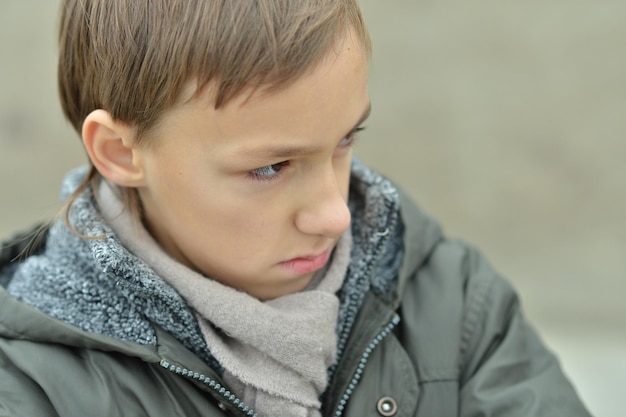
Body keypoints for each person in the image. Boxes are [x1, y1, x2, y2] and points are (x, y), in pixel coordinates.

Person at [0, 1, 592, 416]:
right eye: (269, 168)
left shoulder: (454, 306)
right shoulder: (29, 387)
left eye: (343, 142)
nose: (334, 215)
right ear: (121, 152)